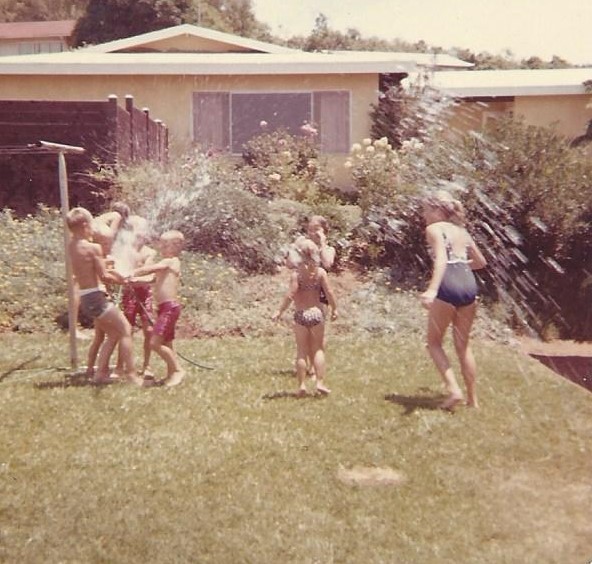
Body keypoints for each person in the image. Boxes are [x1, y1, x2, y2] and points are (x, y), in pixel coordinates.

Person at [419, 190, 487, 409]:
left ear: (437, 210)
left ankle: (454, 390)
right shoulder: (462, 231)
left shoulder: (433, 229)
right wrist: (461, 267)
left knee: (434, 343)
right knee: (463, 346)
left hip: (447, 285)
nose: (424, 215)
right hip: (468, 284)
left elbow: (441, 260)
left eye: (426, 210)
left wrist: (431, 289)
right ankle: (473, 400)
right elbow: (481, 262)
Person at [66, 207, 141, 386]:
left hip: (85, 298)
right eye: (91, 225)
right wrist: (124, 280)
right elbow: (105, 276)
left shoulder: (71, 245)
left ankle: (100, 374)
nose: (93, 228)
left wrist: (105, 262)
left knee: (113, 334)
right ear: (85, 225)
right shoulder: (94, 248)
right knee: (125, 330)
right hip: (96, 297)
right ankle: (131, 375)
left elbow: (87, 266)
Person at [272, 239, 338, 396]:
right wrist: (334, 308)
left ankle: (301, 385)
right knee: (318, 350)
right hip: (316, 313)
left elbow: (290, 294)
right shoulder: (320, 273)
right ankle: (320, 382)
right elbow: (329, 292)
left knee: (302, 351)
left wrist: (279, 311)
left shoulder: (297, 274)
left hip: (301, 314)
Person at [132, 230, 185, 387]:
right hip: (164, 308)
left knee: (155, 343)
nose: (160, 247)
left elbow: (151, 269)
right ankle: (170, 375)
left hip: (170, 308)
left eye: (165, 244)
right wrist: (130, 280)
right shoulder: (164, 266)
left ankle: (177, 370)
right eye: (160, 243)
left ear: (176, 246)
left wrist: (136, 270)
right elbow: (150, 279)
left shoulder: (172, 261)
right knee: (167, 343)